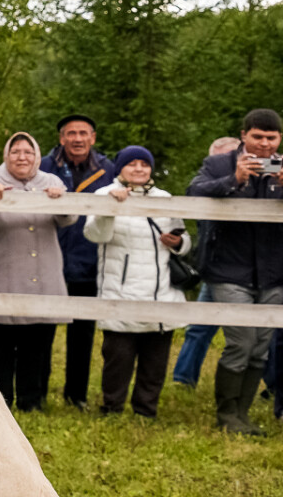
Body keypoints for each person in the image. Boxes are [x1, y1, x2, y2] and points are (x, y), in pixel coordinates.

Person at [186, 109, 283, 434]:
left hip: (273, 271)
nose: (264, 144)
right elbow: (193, 193)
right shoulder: (220, 164)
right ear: (244, 135)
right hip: (229, 268)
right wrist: (235, 181)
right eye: (258, 137)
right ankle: (226, 414)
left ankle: (242, 414)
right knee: (240, 341)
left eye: (271, 138)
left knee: (261, 344)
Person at [0, 133, 74, 411]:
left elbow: (69, 219)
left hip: (44, 274)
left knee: (38, 344)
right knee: (2, 343)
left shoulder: (52, 181)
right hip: (6, 272)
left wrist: (58, 200)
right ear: (6, 155)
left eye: (28, 152)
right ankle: (1, 401)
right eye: (16, 152)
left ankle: (33, 401)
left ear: (37, 155)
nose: (22, 157)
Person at [83, 145, 189, 418]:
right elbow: (95, 235)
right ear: (121, 168)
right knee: (118, 359)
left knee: (155, 362)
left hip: (161, 292)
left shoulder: (165, 198)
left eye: (145, 164)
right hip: (120, 292)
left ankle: (146, 411)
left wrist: (178, 242)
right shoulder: (104, 195)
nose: (139, 168)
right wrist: (110, 208)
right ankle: (112, 408)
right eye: (132, 164)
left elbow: (184, 241)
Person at [39, 114, 114, 409]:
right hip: (49, 260)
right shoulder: (44, 167)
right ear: (61, 138)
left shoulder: (107, 170)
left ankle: (76, 396)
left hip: (88, 261)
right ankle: (38, 392)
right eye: (71, 133)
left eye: (83, 133)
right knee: (43, 330)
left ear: (93, 138)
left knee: (83, 335)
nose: (77, 139)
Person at [172, 135, 244, 387]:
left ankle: (269, 384)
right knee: (200, 328)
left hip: (249, 267)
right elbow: (194, 193)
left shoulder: (259, 184)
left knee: (258, 332)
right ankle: (183, 378)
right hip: (216, 266)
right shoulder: (211, 185)